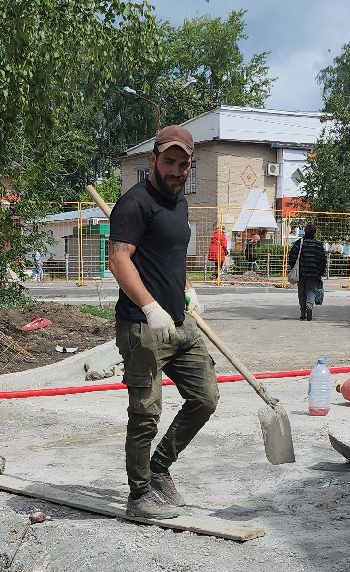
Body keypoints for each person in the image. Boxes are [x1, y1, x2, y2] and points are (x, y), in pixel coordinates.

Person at [106, 124, 218, 521]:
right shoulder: (134, 204)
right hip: (142, 326)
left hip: (180, 322)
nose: (175, 170)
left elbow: (171, 255)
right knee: (145, 414)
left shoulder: (180, 204)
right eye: (168, 161)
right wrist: (151, 307)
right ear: (153, 159)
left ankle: (159, 468)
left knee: (205, 398)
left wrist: (187, 288)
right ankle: (139, 496)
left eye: (183, 165)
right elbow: (119, 259)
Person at [288, 224, 327, 321]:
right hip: (314, 273)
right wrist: (320, 272)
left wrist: (294, 268)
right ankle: (309, 305)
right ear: (314, 233)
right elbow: (323, 260)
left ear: (305, 232)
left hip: (301, 272)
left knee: (302, 292)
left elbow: (292, 256)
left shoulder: (299, 243)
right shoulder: (318, 245)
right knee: (312, 290)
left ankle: (303, 312)